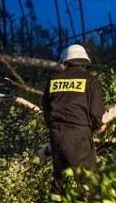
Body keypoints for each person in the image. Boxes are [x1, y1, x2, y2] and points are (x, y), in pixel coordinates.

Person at [40, 44, 106, 194]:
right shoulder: (91, 81)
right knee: (88, 179)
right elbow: (97, 115)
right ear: (84, 60)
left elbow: (46, 108)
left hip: (56, 134)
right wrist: (99, 126)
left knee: (60, 177)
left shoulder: (53, 81)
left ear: (66, 61)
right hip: (79, 134)